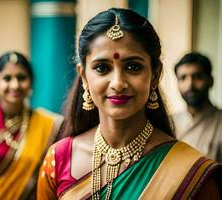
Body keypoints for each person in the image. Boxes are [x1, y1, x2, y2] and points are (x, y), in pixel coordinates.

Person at [36, 8, 222, 200]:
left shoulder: (191, 174)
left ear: (155, 75)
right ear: (83, 76)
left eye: (133, 67)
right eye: (102, 68)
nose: (118, 83)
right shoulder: (59, 159)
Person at [0, 51, 64, 200]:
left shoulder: (48, 124)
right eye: (7, 78)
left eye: (21, 78)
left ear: (31, 82)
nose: (15, 85)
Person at [172, 52, 222, 162]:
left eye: (198, 77)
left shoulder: (219, 121)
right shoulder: (169, 123)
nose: (190, 84)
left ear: (210, 81)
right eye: (183, 78)